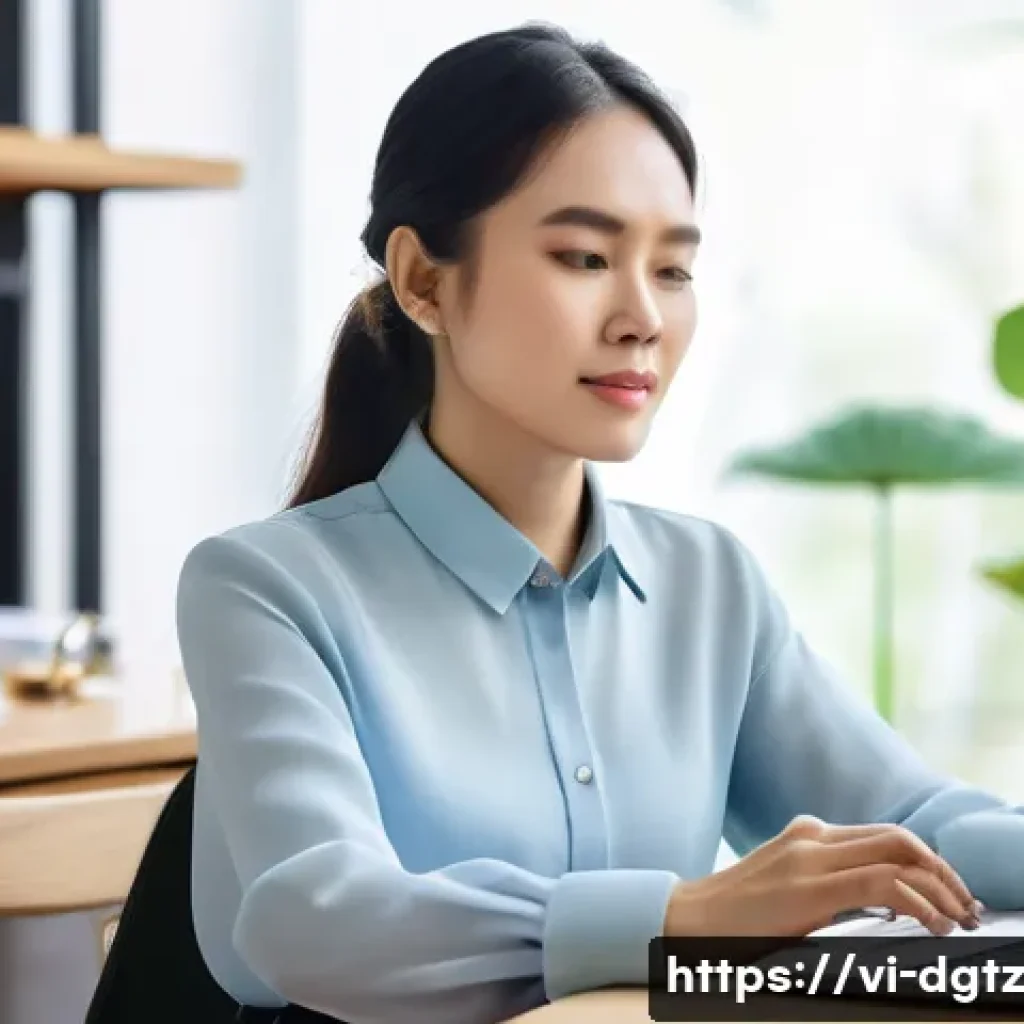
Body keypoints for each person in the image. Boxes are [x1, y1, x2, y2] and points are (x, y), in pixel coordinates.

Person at [175, 22, 1024, 1024]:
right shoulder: (265, 587)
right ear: (422, 282)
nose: (641, 317)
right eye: (584, 256)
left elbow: (913, 822)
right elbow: (311, 918)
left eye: (671, 270)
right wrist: (684, 913)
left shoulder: (707, 581)